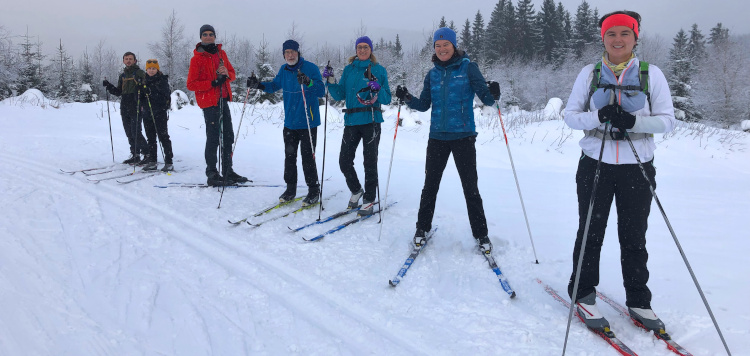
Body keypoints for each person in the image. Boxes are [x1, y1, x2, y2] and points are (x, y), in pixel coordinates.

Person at [563, 10, 676, 333]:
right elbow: (571, 116)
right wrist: (599, 117)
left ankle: (639, 300)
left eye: (624, 34)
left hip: (636, 167)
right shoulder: (590, 73)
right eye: (611, 34)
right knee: (590, 232)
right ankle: (583, 292)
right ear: (603, 38)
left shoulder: (650, 74)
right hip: (594, 163)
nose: (617, 40)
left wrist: (634, 121)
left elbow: (668, 120)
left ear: (635, 38)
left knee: (634, 236)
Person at [395, 27, 499, 254]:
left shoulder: (468, 67)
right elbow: (423, 104)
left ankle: (481, 234)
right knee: (430, 186)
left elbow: (487, 98)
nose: (442, 49)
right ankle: (422, 229)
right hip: (437, 138)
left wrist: (494, 92)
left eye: (446, 45)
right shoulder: (431, 74)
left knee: (470, 188)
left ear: (454, 46)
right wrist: (407, 98)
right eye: (438, 45)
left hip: (463, 136)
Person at [246, 40, 325, 206]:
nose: (290, 55)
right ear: (283, 54)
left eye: (293, 52)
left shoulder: (310, 68)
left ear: (298, 52)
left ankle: (313, 190)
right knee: (289, 157)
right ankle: (290, 189)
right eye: (287, 52)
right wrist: (258, 85)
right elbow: (274, 86)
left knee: (307, 158)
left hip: (308, 122)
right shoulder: (283, 70)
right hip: (290, 122)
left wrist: (308, 82)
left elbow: (320, 91)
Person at [325, 36, 391, 215]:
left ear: (371, 50)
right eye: (359, 47)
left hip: (371, 120)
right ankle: (356, 190)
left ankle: (369, 198)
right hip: (352, 122)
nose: (362, 50)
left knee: (370, 162)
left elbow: (387, 98)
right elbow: (340, 95)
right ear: (356, 50)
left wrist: (378, 89)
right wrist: (331, 82)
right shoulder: (349, 70)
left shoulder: (379, 70)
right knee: (344, 161)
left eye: (365, 47)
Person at [186, 24, 248, 186]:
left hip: (223, 99)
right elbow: (191, 84)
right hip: (209, 102)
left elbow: (232, 74)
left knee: (228, 136)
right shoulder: (197, 58)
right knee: (213, 137)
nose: (208, 36)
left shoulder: (222, 54)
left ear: (214, 36)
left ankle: (228, 170)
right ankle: (212, 173)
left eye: (211, 34)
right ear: (201, 37)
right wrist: (213, 82)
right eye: (205, 34)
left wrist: (226, 75)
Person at [102, 52, 148, 164]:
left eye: (130, 59)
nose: (128, 61)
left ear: (135, 61)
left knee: (136, 131)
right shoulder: (122, 75)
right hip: (125, 105)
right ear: (123, 61)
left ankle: (148, 154)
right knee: (129, 132)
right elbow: (119, 92)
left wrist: (141, 89)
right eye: (126, 59)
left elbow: (147, 88)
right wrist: (109, 86)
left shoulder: (140, 73)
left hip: (136, 105)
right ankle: (135, 155)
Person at [139, 59, 174, 172]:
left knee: (163, 137)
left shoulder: (162, 80)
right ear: (146, 69)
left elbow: (165, 96)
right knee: (150, 138)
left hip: (159, 113)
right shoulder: (143, 80)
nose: (151, 70)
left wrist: (152, 93)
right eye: (149, 68)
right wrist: (140, 94)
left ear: (157, 69)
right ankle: (152, 161)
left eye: (154, 68)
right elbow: (139, 98)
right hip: (147, 113)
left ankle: (169, 162)